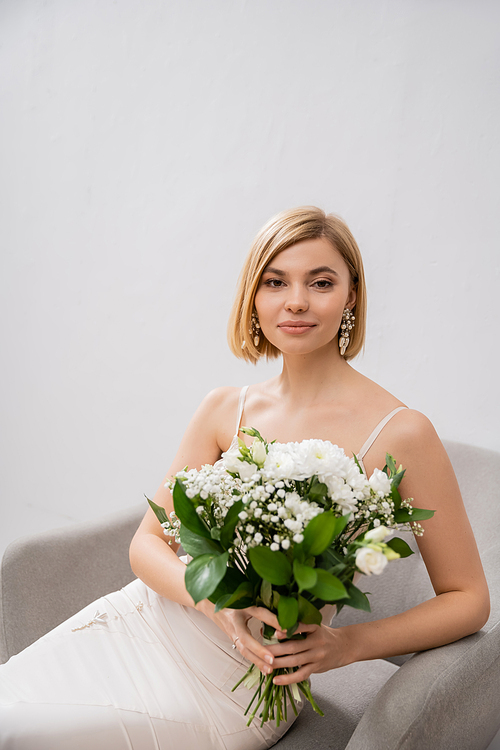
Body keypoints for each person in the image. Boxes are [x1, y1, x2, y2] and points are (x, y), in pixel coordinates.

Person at [0, 206, 490, 749]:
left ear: (351, 295)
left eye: (321, 282)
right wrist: (217, 606)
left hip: (237, 685)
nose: (296, 300)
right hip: (138, 626)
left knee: (23, 732)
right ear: (254, 297)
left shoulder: (401, 433)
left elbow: (467, 597)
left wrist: (345, 645)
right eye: (275, 282)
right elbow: (147, 544)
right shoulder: (223, 409)